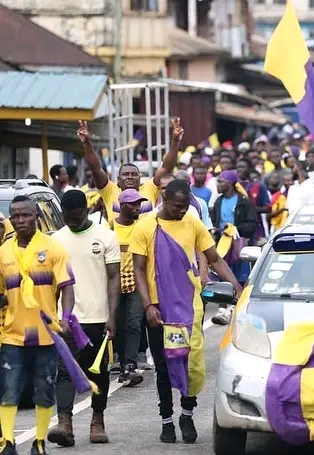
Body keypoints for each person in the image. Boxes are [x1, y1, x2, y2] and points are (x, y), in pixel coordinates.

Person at [130, 179, 243, 444]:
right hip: (159, 309)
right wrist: (148, 305)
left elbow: (214, 258)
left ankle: (187, 414)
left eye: (185, 206)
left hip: (189, 306)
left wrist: (237, 287)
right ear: (164, 199)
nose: (182, 210)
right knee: (163, 365)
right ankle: (167, 420)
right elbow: (138, 269)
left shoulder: (192, 222)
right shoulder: (145, 226)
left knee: (191, 363)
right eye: (177, 206)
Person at [0, 195, 76, 455]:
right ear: (11, 220)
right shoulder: (3, 252)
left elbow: (67, 286)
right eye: (16, 216)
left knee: (43, 392)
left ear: (36, 217)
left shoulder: (53, 248)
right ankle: (7, 442)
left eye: (26, 215)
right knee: (8, 391)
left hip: (46, 335)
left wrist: (66, 317)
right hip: (12, 335)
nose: (21, 220)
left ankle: (39, 442)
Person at [49, 190, 121, 447]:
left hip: (98, 318)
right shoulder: (56, 240)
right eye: (67, 218)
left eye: (76, 217)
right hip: (66, 319)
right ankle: (64, 424)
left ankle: (97, 421)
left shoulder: (106, 236)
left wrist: (112, 317)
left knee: (98, 372)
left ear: (86, 210)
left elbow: (114, 278)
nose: (72, 222)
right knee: (64, 371)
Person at [77, 119, 181, 222]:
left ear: (140, 178)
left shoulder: (149, 188)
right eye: (126, 174)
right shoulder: (110, 191)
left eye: (134, 174)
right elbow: (96, 169)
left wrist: (175, 141)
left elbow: (166, 168)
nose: (130, 177)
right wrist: (86, 143)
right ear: (118, 179)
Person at [211, 171, 258, 325]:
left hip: (238, 245)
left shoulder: (244, 202)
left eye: (221, 182)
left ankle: (238, 308)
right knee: (222, 275)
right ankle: (222, 309)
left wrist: (236, 228)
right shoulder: (218, 201)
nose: (218, 185)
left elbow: (252, 224)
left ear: (230, 184)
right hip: (222, 244)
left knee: (240, 276)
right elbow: (215, 221)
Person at [110, 189, 147, 385]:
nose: (137, 208)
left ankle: (130, 365)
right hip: (114, 284)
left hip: (136, 283)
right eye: (133, 204)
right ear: (122, 206)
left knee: (134, 323)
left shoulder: (142, 228)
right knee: (119, 325)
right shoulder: (109, 228)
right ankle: (122, 361)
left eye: (139, 204)